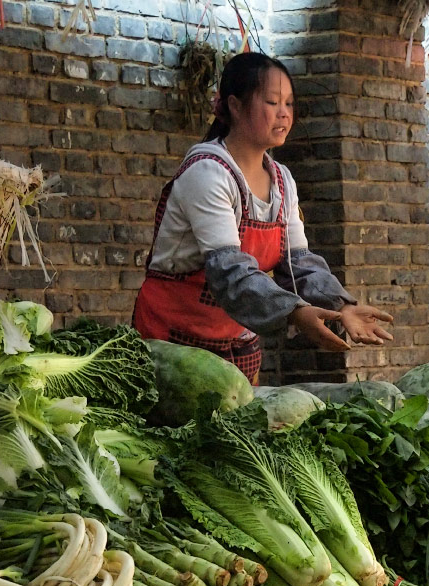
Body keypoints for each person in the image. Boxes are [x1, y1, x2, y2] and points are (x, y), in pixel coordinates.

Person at [133, 51, 392, 381]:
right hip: (173, 342)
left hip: (237, 344)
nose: (284, 114)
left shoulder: (283, 180)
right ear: (235, 106)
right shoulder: (208, 173)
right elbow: (229, 270)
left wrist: (341, 307)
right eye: (272, 102)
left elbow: (297, 262)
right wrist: (296, 313)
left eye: (289, 103)